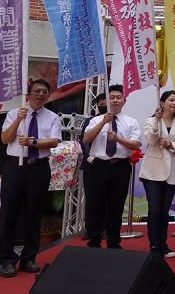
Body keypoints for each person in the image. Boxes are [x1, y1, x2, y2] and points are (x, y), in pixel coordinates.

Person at [0, 79, 61, 278]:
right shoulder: (13, 113)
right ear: (29, 94)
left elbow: (54, 141)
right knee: (9, 213)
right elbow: (5, 139)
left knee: (34, 215)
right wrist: (18, 119)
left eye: (44, 91)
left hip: (39, 168)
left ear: (48, 95)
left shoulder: (52, 117)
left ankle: (29, 258)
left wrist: (33, 142)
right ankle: (6, 260)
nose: (40, 94)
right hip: (15, 167)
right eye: (37, 91)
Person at [83, 84, 142, 249]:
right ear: (106, 101)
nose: (115, 100)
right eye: (112, 98)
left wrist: (118, 139)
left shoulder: (131, 122)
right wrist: (103, 121)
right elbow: (86, 139)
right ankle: (94, 241)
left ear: (124, 100)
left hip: (120, 167)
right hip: (99, 166)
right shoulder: (95, 120)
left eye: (118, 97)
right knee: (96, 205)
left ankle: (114, 242)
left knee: (116, 205)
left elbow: (136, 145)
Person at [139, 91, 175, 257]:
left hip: (173, 172)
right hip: (152, 171)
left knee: (164, 210)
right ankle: (154, 246)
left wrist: (170, 144)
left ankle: (163, 244)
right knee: (154, 209)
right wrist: (157, 121)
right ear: (162, 103)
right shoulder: (151, 120)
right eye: (171, 100)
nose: (174, 103)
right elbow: (151, 140)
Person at [79, 93, 106, 240]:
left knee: (106, 198)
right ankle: (90, 230)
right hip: (91, 165)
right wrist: (89, 156)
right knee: (91, 199)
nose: (103, 104)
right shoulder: (91, 120)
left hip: (107, 164)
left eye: (105, 102)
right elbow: (84, 140)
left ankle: (105, 228)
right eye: (100, 103)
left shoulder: (117, 120)